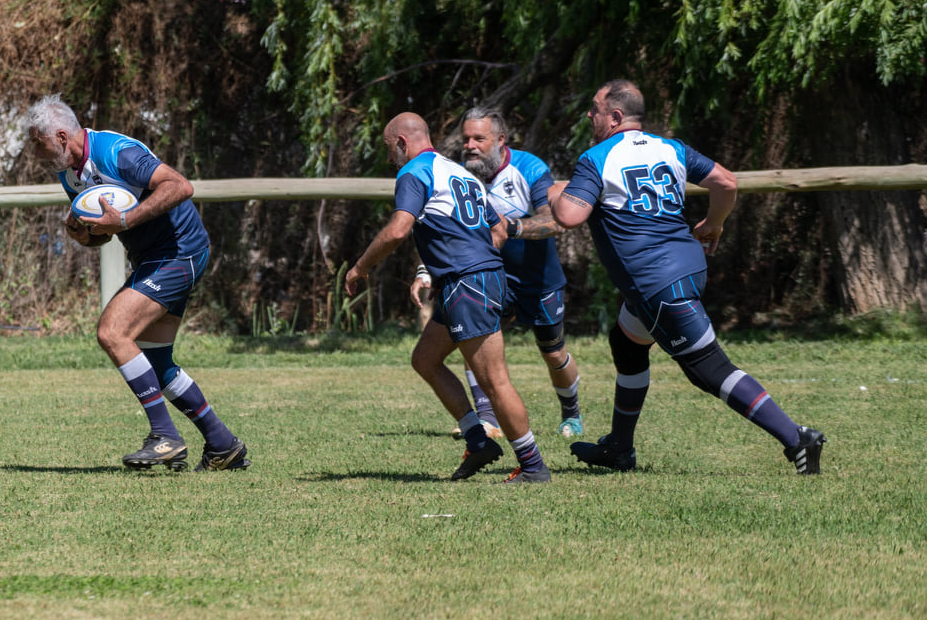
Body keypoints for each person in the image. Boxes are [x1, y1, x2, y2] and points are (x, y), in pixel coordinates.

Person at [552, 80, 826, 474]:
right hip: (688, 267)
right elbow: (726, 182)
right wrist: (714, 224)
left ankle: (797, 438)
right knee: (627, 345)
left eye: (594, 109)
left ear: (614, 116)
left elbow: (568, 216)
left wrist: (554, 195)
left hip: (657, 283)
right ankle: (620, 449)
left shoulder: (596, 158)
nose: (589, 115)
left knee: (709, 369)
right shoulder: (672, 148)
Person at [26, 95, 248, 471]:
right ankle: (222, 444)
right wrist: (84, 235)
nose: (36, 153)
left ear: (61, 136)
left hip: (181, 252)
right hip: (153, 259)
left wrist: (126, 221)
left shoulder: (115, 152)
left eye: (38, 143)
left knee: (112, 332)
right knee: (157, 363)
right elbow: (104, 234)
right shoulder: (70, 175)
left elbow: (180, 186)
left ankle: (165, 436)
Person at [347, 112, 552, 482]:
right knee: (425, 359)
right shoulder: (459, 173)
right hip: (471, 281)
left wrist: (359, 268)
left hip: (469, 284)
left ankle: (533, 466)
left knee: (494, 380)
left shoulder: (414, 172)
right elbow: (498, 228)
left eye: (388, 148)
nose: (388, 156)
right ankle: (478, 441)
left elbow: (398, 231)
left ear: (401, 143)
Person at [411, 106, 584, 440]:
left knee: (552, 351)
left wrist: (512, 227)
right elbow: (443, 234)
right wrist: (426, 271)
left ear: (500, 140)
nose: (470, 145)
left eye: (479, 138)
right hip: (490, 278)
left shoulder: (529, 168)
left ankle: (571, 413)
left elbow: (554, 222)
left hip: (537, 279)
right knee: (471, 338)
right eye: (466, 139)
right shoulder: (459, 175)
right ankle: (488, 420)